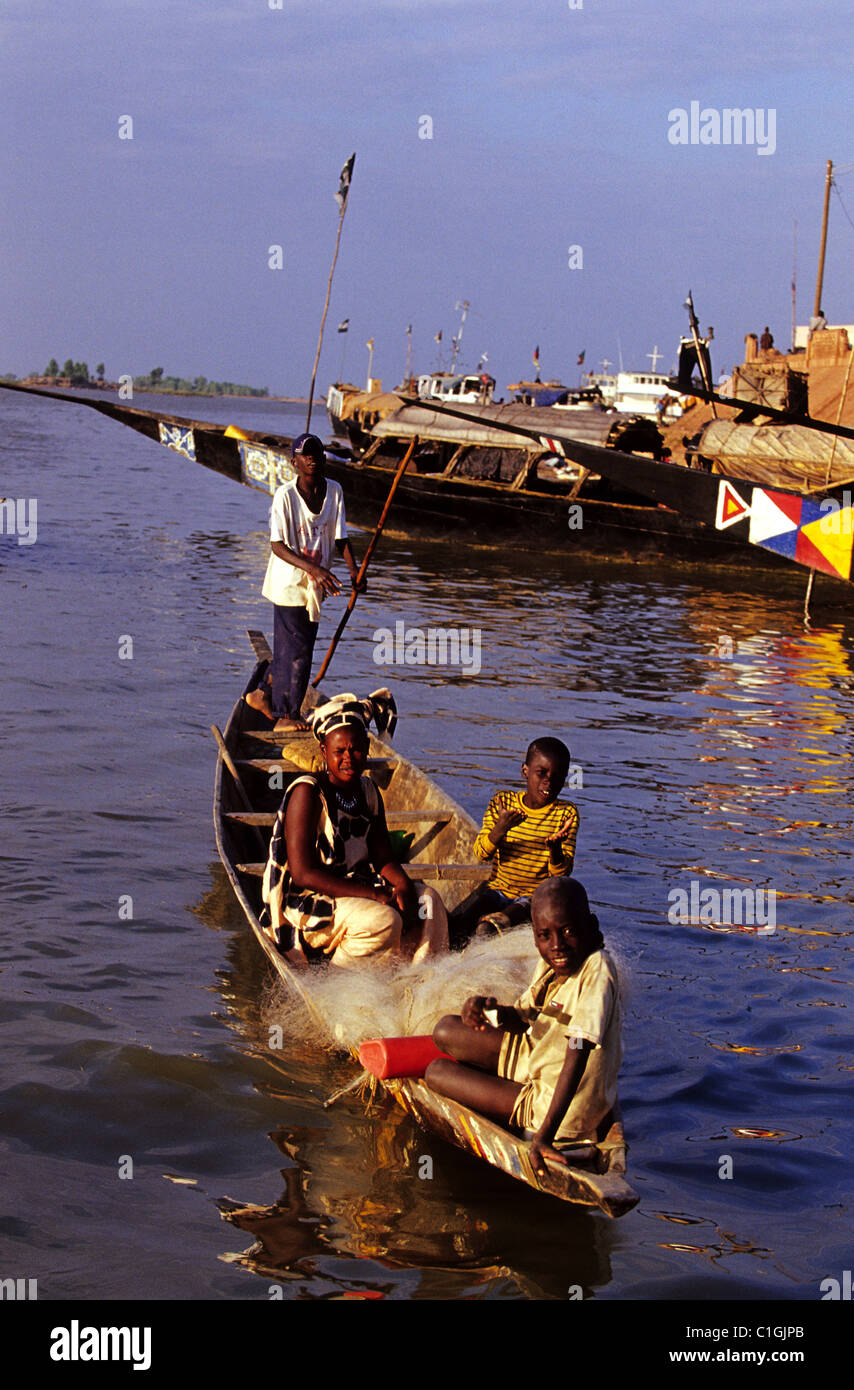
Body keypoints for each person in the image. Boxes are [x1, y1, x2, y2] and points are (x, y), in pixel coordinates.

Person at [426, 877, 622, 1176]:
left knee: (436, 1073)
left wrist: (544, 1135)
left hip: (553, 1107)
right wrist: (489, 1010)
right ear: (535, 936)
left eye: (567, 931)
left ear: (590, 926)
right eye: (545, 935)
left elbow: (578, 1051)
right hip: (537, 1057)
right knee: (445, 1030)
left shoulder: (597, 969)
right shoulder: (553, 963)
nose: (557, 945)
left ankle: (530, 1120)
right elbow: (522, 1019)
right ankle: (501, 1084)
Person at [261, 690, 449, 967]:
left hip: (357, 883)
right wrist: (373, 894)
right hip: (310, 901)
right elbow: (302, 874)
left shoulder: (368, 790)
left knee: (428, 902)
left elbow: (382, 856)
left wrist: (403, 886)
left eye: (356, 749)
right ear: (324, 750)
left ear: (368, 749)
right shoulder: (308, 793)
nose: (348, 757)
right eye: (339, 751)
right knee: (383, 920)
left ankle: (417, 974)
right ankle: (340, 980)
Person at [248, 433, 361, 732]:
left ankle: (261, 693)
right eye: (305, 454)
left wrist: (355, 572)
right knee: (298, 653)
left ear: (324, 459)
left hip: (314, 587)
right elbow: (278, 546)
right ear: (294, 462)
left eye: (316, 454)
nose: (311, 458)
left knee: (295, 647)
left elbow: (341, 539)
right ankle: (286, 716)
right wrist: (315, 569)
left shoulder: (334, 491)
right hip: (288, 583)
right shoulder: (285, 496)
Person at [464, 736, 578, 934]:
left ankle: (497, 923)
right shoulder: (503, 803)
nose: (548, 781)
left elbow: (561, 876)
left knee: (488, 929)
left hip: (535, 899)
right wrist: (501, 827)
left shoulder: (566, 814)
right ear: (525, 771)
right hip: (496, 892)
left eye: (557, 776)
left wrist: (555, 849)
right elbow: (481, 854)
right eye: (541, 773)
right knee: (458, 926)